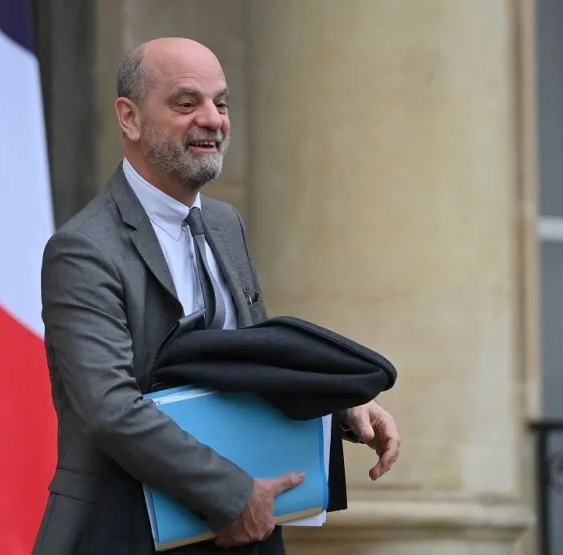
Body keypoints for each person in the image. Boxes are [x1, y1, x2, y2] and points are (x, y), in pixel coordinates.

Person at [34, 37, 400, 555]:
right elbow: (109, 408)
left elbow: (253, 364)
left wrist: (344, 406)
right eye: (187, 103)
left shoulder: (226, 224)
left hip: (242, 532)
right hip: (127, 530)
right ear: (129, 118)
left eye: (221, 103)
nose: (213, 119)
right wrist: (232, 495)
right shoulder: (81, 249)